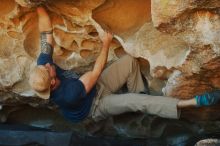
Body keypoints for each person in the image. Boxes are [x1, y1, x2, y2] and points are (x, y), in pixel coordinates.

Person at [29, 7, 220, 123]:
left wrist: (38, 7)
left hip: (94, 88)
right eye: (48, 69)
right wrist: (105, 42)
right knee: (135, 102)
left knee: (129, 62)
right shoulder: (68, 94)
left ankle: (142, 97)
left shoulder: (42, 67)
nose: (48, 65)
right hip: (95, 106)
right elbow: (95, 72)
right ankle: (190, 103)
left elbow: (47, 33)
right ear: (52, 82)